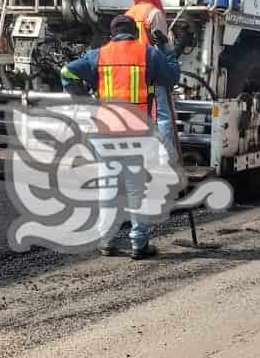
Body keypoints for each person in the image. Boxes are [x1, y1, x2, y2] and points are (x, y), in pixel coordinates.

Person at [61, 14, 181, 259]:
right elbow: (173, 77)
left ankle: (106, 240)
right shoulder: (149, 54)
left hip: (106, 132)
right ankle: (139, 244)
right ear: (135, 33)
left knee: (109, 187)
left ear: (112, 34)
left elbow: (67, 73)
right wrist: (167, 48)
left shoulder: (99, 55)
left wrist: (83, 99)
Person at [125, 0, 175, 146]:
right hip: (152, 71)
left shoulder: (128, 14)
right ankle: (166, 156)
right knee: (162, 116)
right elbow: (162, 45)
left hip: (132, 72)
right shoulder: (154, 14)